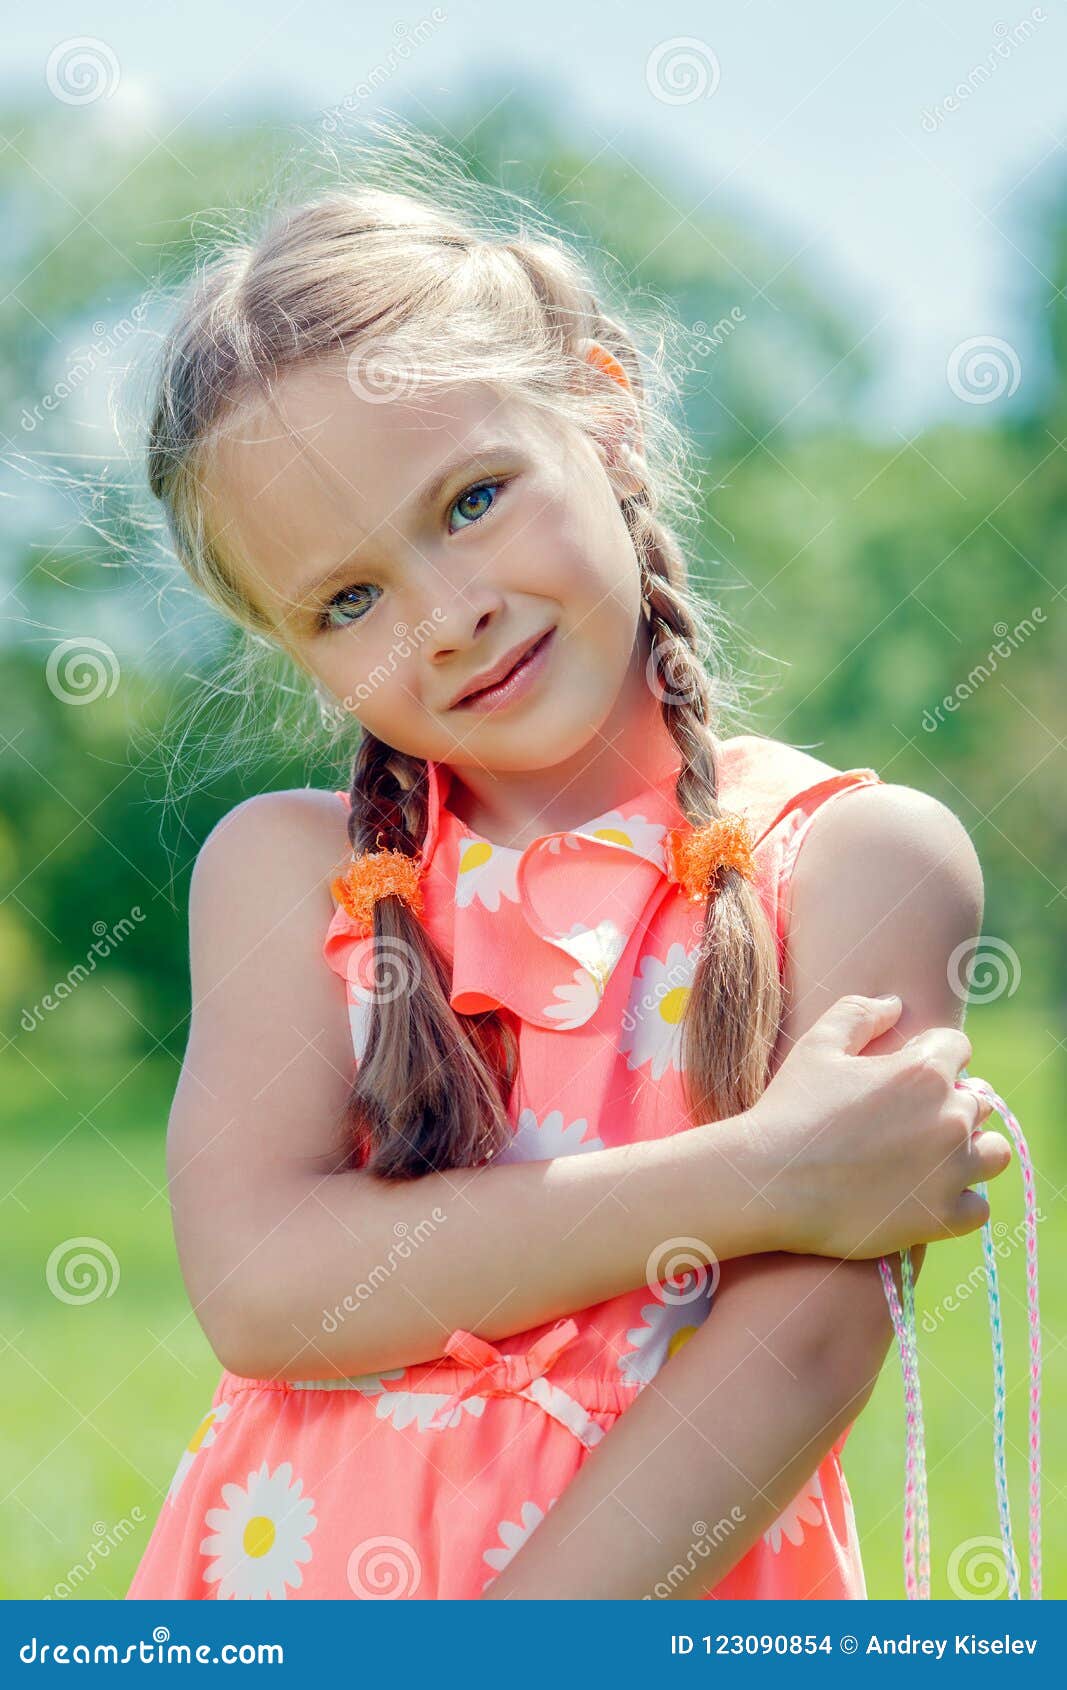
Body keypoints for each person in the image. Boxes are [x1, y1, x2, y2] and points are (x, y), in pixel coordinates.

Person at [125, 158, 1009, 1601]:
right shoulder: (300, 878)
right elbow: (268, 1283)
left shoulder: (854, 859)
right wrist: (762, 1173)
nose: (449, 614)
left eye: (472, 497)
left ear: (599, 405)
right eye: (349, 601)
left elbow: (805, 1344)